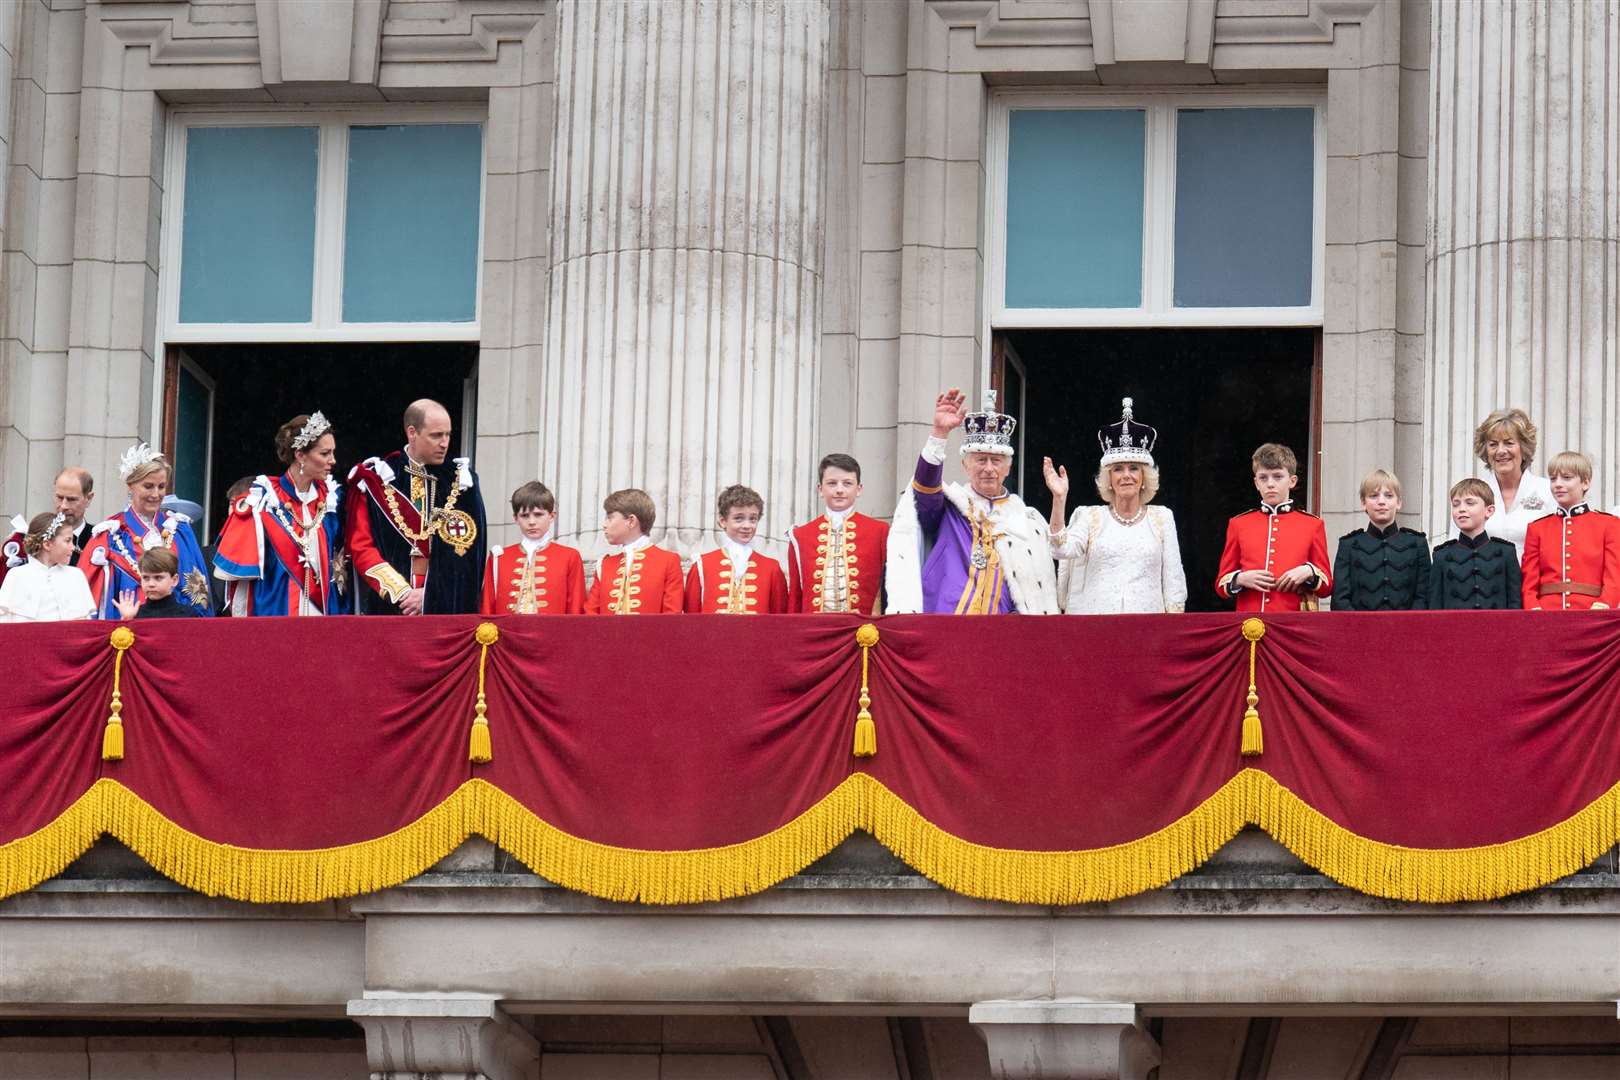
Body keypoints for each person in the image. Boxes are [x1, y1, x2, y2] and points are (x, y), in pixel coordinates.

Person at [886, 388, 1057, 615]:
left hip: (1000, 631)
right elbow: (924, 488)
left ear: (1007, 468)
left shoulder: (1027, 520)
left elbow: (1035, 587)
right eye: (980, 460)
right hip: (946, 623)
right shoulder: (949, 507)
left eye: (996, 461)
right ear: (965, 465)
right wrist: (939, 433)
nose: (988, 468)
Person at [1043, 398, 1187, 614]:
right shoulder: (1090, 517)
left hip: (1147, 631)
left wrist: (1172, 632)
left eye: (1134, 469)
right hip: (1095, 630)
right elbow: (1059, 549)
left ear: (1144, 477)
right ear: (1108, 478)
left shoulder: (1162, 518)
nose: (1126, 475)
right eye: (1118, 469)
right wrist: (1059, 498)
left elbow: (1174, 582)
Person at [346, 399, 487, 615]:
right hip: (391, 609)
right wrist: (402, 593)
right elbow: (362, 547)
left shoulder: (462, 482)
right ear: (412, 433)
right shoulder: (378, 479)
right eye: (436, 435)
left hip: (445, 611)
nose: (444, 443)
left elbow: (468, 555)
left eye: (448, 435)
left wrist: (430, 595)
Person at [213, 413, 348, 617]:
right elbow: (242, 582)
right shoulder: (263, 499)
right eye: (325, 453)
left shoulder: (331, 499)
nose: (333, 460)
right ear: (300, 455)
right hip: (274, 613)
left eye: (333, 452)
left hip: (322, 615)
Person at [81, 444, 213, 618]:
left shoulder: (180, 530)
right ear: (130, 486)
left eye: (161, 486)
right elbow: (88, 599)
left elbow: (199, 592)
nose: (156, 494)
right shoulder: (110, 535)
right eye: (148, 486)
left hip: (177, 630)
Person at [1214, 443, 1331, 613]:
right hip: (1249, 623)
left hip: (1293, 624)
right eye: (1263, 477)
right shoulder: (1239, 524)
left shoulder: (1313, 525)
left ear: (1292, 481)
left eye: (1277, 477)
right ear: (1256, 483)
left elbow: (1326, 587)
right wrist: (1241, 578)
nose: (1270, 484)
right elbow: (1221, 584)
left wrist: (1309, 571)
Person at [786, 454, 889, 615]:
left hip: (864, 632)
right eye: (832, 483)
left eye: (847, 483)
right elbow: (795, 596)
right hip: (814, 632)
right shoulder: (800, 536)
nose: (839, 490)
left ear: (859, 489)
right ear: (820, 489)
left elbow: (888, 588)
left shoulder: (880, 531)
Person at [1520, 451, 1620, 611]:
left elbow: (1614, 575)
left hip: (1592, 612)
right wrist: (1533, 608)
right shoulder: (1537, 528)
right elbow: (1529, 581)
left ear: (1585, 483)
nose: (1557, 484)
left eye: (1566, 478)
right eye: (1553, 479)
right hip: (1546, 614)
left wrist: (1605, 604)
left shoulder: (1609, 524)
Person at [1331, 469, 1431, 611]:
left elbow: (1424, 596)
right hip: (1359, 629)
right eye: (1373, 496)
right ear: (1363, 503)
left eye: (1389, 496)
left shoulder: (1417, 544)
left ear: (1399, 502)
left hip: (1407, 629)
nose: (1381, 502)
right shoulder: (1349, 545)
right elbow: (1340, 599)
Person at [480, 481, 585, 615]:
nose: (531, 522)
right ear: (516, 518)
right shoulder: (499, 558)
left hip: (553, 634)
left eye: (538, 514)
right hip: (507, 634)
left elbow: (575, 608)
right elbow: (487, 607)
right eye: (524, 516)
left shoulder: (570, 556)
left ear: (552, 516)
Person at [685, 485, 789, 614]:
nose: (747, 525)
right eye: (738, 518)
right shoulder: (702, 566)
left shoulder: (771, 568)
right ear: (723, 521)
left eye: (753, 519)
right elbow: (691, 619)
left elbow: (779, 620)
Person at [1468, 407, 1553, 559]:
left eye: (1508, 443)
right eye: (1493, 444)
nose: (1501, 451)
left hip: (1532, 581)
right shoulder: (1471, 493)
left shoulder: (1548, 491)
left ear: (1523, 447)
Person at [583, 488, 683, 615]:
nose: (604, 524)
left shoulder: (668, 561)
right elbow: (590, 614)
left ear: (631, 521)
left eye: (610, 518)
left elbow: (672, 616)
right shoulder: (605, 565)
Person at [1430, 478, 1521, 609]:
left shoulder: (1506, 553)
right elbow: (1435, 606)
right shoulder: (1441, 556)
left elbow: (1515, 603)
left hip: (1497, 627)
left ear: (1489, 511)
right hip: (1454, 628)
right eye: (1456, 504)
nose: (1461, 509)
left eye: (1470, 503)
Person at [1, 467, 96, 587]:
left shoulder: (99, 540)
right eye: (59, 497)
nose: (63, 506)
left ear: (88, 498)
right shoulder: (32, 537)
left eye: (72, 499)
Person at [0, 511, 97, 622]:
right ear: (47, 544)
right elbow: (4, 626)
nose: (73, 547)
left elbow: (84, 626)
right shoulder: (17, 575)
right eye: (68, 541)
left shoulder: (76, 575)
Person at [113, 547, 202, 619]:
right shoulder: (135, 615)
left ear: (174, 580)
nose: (151, 584)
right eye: (146, 578)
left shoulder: (188, 615)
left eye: (158, 578)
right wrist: (127, 619)